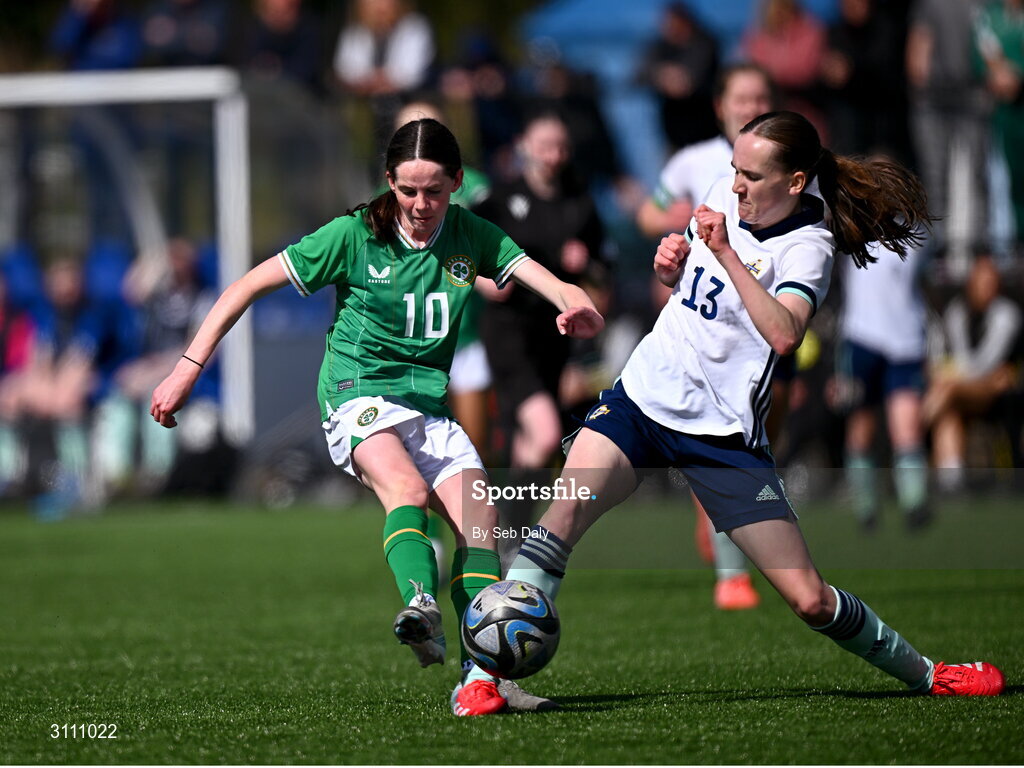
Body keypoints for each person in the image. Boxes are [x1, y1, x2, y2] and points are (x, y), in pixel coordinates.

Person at [501, 111, 1005, 699]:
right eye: (735, 170)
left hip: (723, 436)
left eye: (751, 176)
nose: (735, 184)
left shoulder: (810, 247)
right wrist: (673, 265)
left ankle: (929, 675)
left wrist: (726, 255)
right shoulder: (723, 189)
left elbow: (785, 333)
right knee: (558, 520)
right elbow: (691, 286)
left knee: (810, 599)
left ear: (794, 183)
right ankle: (487, 677)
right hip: (643, 396)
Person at [150, 118, 604, 716]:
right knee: (407, 488)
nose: (420, 204)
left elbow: (550, 281)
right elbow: (245, 287)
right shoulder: (353, 236)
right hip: (355, 392)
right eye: (408, 190)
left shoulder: (472, 234)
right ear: (389, 181)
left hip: (427, 406)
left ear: (458, 184)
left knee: (481, 522)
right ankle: (420, 603)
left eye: (435, 190)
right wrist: (189, 366)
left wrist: (575, 302)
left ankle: (480, 681)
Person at [636, 63, 776, 610]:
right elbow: (650, 213)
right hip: (700, 325)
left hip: (758, 328)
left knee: (761, 429)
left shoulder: (786, 166)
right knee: (714, 434)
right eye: (741, 96)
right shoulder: (697, 162)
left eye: (760, 94)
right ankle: (730, 568)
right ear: (720, 105)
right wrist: (681, 231)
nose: (750, 104)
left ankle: (733, 527)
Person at [474, 111, 604, 552]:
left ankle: (506, 539)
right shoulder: (499, 199)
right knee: (546, 432)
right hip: (508, 333)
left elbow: (604, 265)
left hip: (554, 334)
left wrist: (584, 262)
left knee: (529, 445)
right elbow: (459, 251)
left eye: (561, 147)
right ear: (524, 146)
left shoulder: (578, 201)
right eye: (545, 145)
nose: (554, 155)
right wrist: (481, 281)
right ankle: (510, 537)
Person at [834, 234, 931, 531]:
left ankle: (914, 506)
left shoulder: (917, 229)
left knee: (907, 427)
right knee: (861, 427)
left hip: (905, 341)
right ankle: (866, 509)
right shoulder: (854, 226)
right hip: (861, 338)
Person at [923, 253, 1022, 490]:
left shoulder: (1007, 314)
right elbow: (960, 356)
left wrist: (950, 374)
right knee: (949, 411)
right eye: (982, 281)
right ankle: (952, 484)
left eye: (991, 282)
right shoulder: (958, 312)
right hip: (967, 389)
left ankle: (910, 436)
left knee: (948, 389)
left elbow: (986, 361)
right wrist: (949, 373)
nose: (987, 288)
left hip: (997, 393)